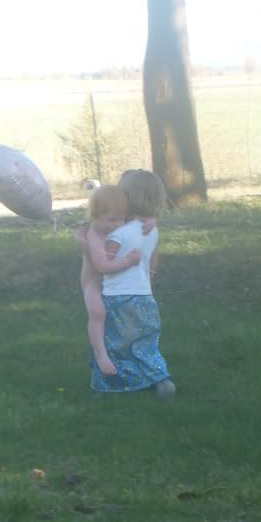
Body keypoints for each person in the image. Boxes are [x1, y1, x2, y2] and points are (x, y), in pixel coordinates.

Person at [91, 169, 175, 398]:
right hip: (144, 295)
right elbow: (152, 266)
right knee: (145, 342)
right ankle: (159, 378)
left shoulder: (118, 233)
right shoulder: (153, 230)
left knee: (116, 342)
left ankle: (109, 385)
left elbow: (105, 263)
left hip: (117, 296)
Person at [76, 184, 143, 376]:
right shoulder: (95, 234)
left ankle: (129, 351)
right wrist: (128, 261)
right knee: (97, 313)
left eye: (121, 218)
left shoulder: (117, 228)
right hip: (94, 283)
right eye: (111, 219)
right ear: (95, 216)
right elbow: (102, 267)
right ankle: (101, 354)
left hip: (115, 281)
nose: (117, 224)